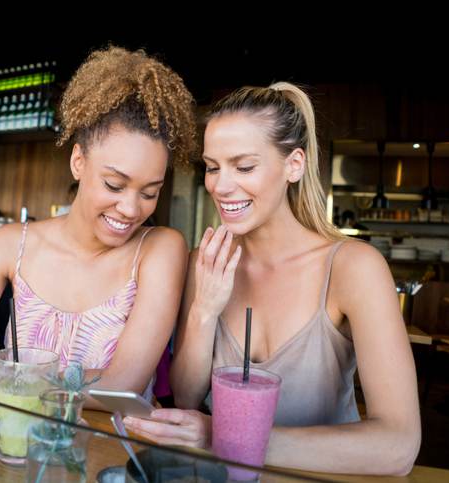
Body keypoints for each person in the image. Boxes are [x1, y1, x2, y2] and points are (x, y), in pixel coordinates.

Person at [122, 82, 421, 476]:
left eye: (244, 166)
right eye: (212, 167)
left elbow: (398, 446)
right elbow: (187, 398)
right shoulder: (206, 263)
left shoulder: (354, 268)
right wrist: (204, 310)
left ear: (293, 165)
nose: (221, 185)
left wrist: (228, 437)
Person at [0, 46, 198, 456]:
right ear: (78, 161)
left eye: (150, 192)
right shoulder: (10, 245)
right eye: (115, 185)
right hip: (16, 451)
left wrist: (3, 377)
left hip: (110, 459)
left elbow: (121, 387)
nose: (131, 209)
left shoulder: (161, 250)